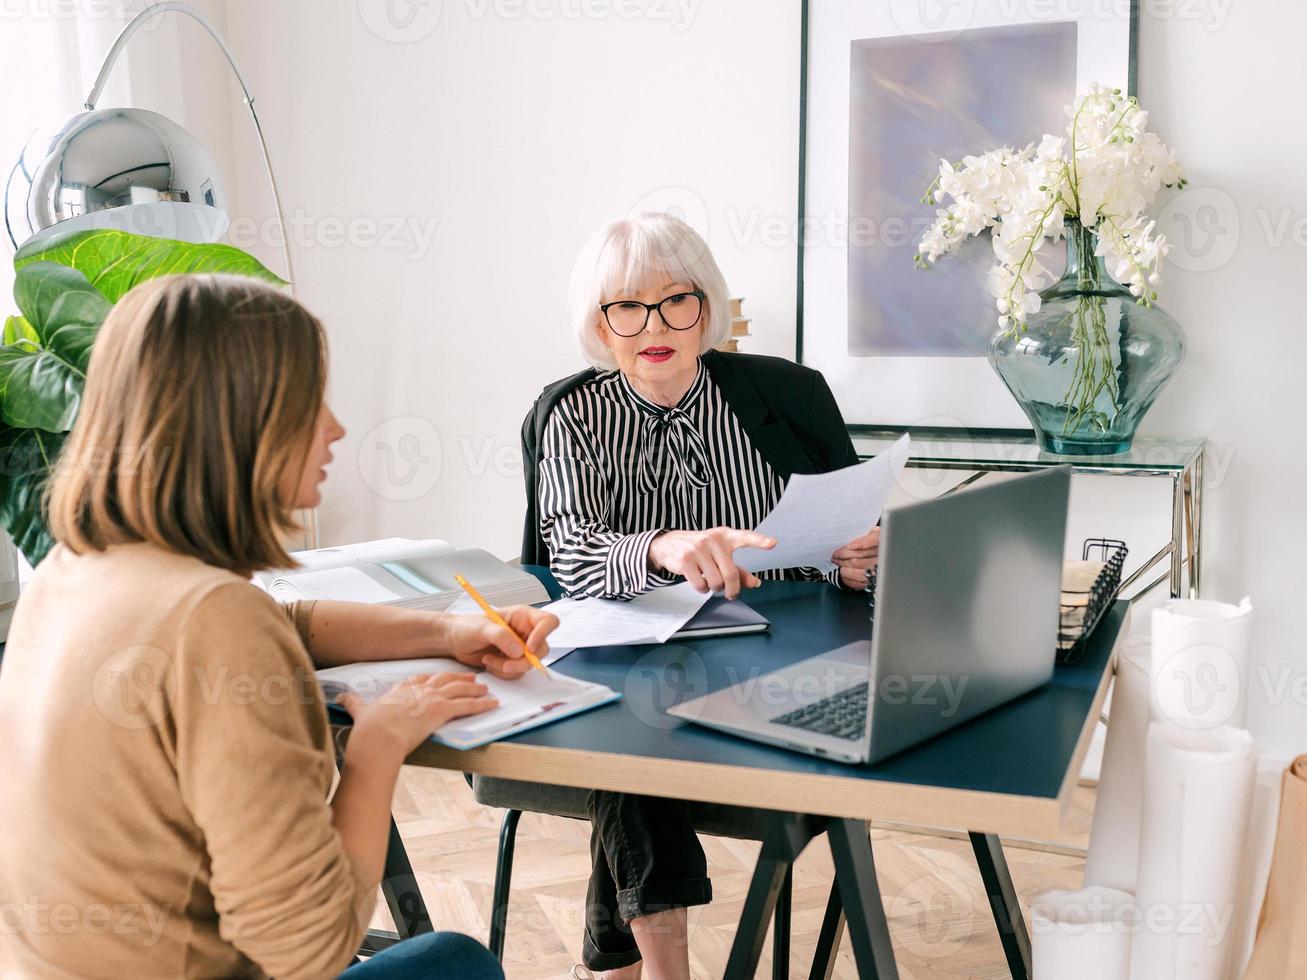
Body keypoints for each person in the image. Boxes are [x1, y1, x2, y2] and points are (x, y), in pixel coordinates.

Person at [0, 275, 557, 979]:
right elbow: (309, 950)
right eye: (308, 402)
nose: (335, 428)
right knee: (456, 963)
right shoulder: (212, 619)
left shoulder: (73, 572)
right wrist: (378, 746)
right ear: (237, 423)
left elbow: (285, 622)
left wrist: (443, 633)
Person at [536, 212, 879, 979]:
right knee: (635, 737)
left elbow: (844, 534)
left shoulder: (785, 397)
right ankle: (667, 972)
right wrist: (664, 547)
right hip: (640, 661)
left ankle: (614, 965)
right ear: (599, 320)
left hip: (789, 657)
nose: (653, 324)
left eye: (675, 300)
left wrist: (859, 559)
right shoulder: (573, 416)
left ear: (706, 304)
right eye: (626, 305)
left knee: (631, 745)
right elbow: (570, 554)